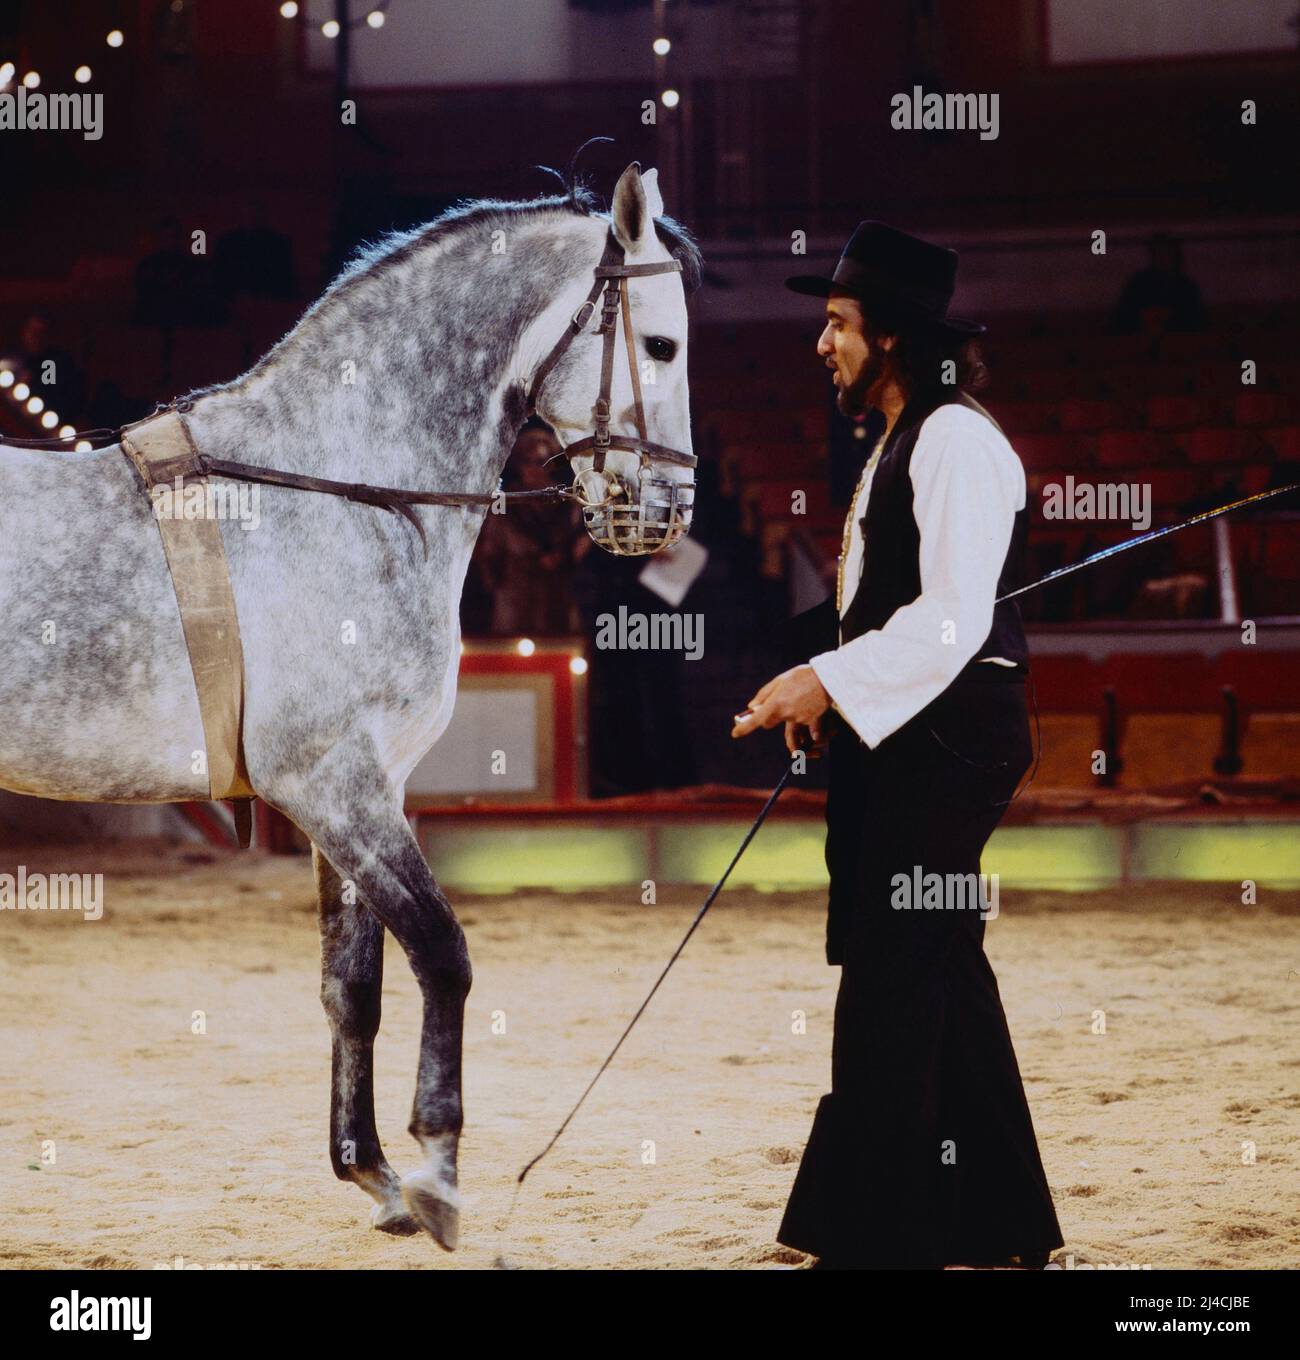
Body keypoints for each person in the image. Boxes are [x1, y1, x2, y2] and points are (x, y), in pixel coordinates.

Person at [732, 221, 1063, 1270]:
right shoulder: (902, 437)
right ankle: (1006, 1224)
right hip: (913, 738)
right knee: (937, 961)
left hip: (952, 745)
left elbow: (953, 620)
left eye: (836, 324)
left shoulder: (957, 439)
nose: (819, 343)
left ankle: (867, 1235)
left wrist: (823, 678)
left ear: (894, 338)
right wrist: (820, 683)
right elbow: (892, 612)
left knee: (892, 968)